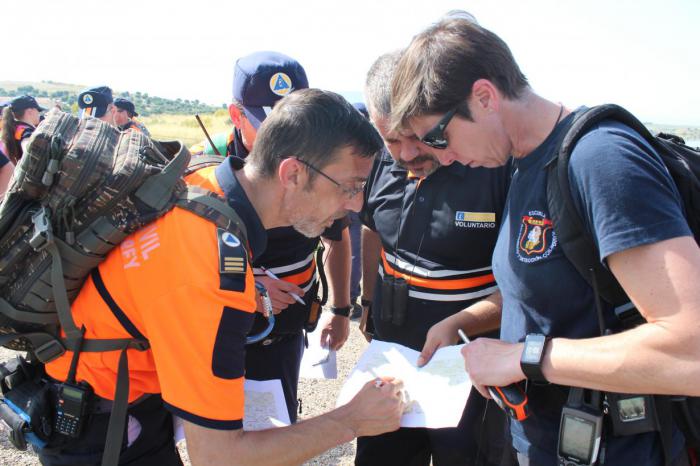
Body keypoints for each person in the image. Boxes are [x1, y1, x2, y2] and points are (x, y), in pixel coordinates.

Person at [391, 13, 700, 465]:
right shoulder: (522, 162)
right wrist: (469, 324)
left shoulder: (600, 160)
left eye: (438, 138)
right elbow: (552, 290)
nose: (445, 157)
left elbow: (691, 349)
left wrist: (524, 357)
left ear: (484, 97)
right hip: (546, 441)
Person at [40, 88, 403, 465]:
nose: (357, 204)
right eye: (350, 186)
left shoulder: (201, 182)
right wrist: (351, 421)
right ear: (292, 173)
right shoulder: (212, 276)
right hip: (104, 429)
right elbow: (218, 457)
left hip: (107, 397)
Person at [356, 50, 513, 466]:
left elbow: (523, 286)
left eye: (416, 136)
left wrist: (464, 322)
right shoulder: (380, 162)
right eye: (391, 140)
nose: (406, 154)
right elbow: (372, 227)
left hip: (466, 370)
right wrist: (367, 300)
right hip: (391, 361)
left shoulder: (491, 164)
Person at [198, 51, 354, 423]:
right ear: (237, 116)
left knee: (274, 427)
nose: (286, 142)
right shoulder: (204, 174)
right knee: (220, 432)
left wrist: (342, 309)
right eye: (268, 124)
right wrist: (247, 284)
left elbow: (337, 238)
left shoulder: (320, 167)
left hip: (284, 333)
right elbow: (180, 258)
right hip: (220, 333)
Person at [1, 94, 45, 163]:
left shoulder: (15, 128)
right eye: (38, 110)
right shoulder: (25, 131)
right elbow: (27, 146)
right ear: (29, 112)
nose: (39, 113)